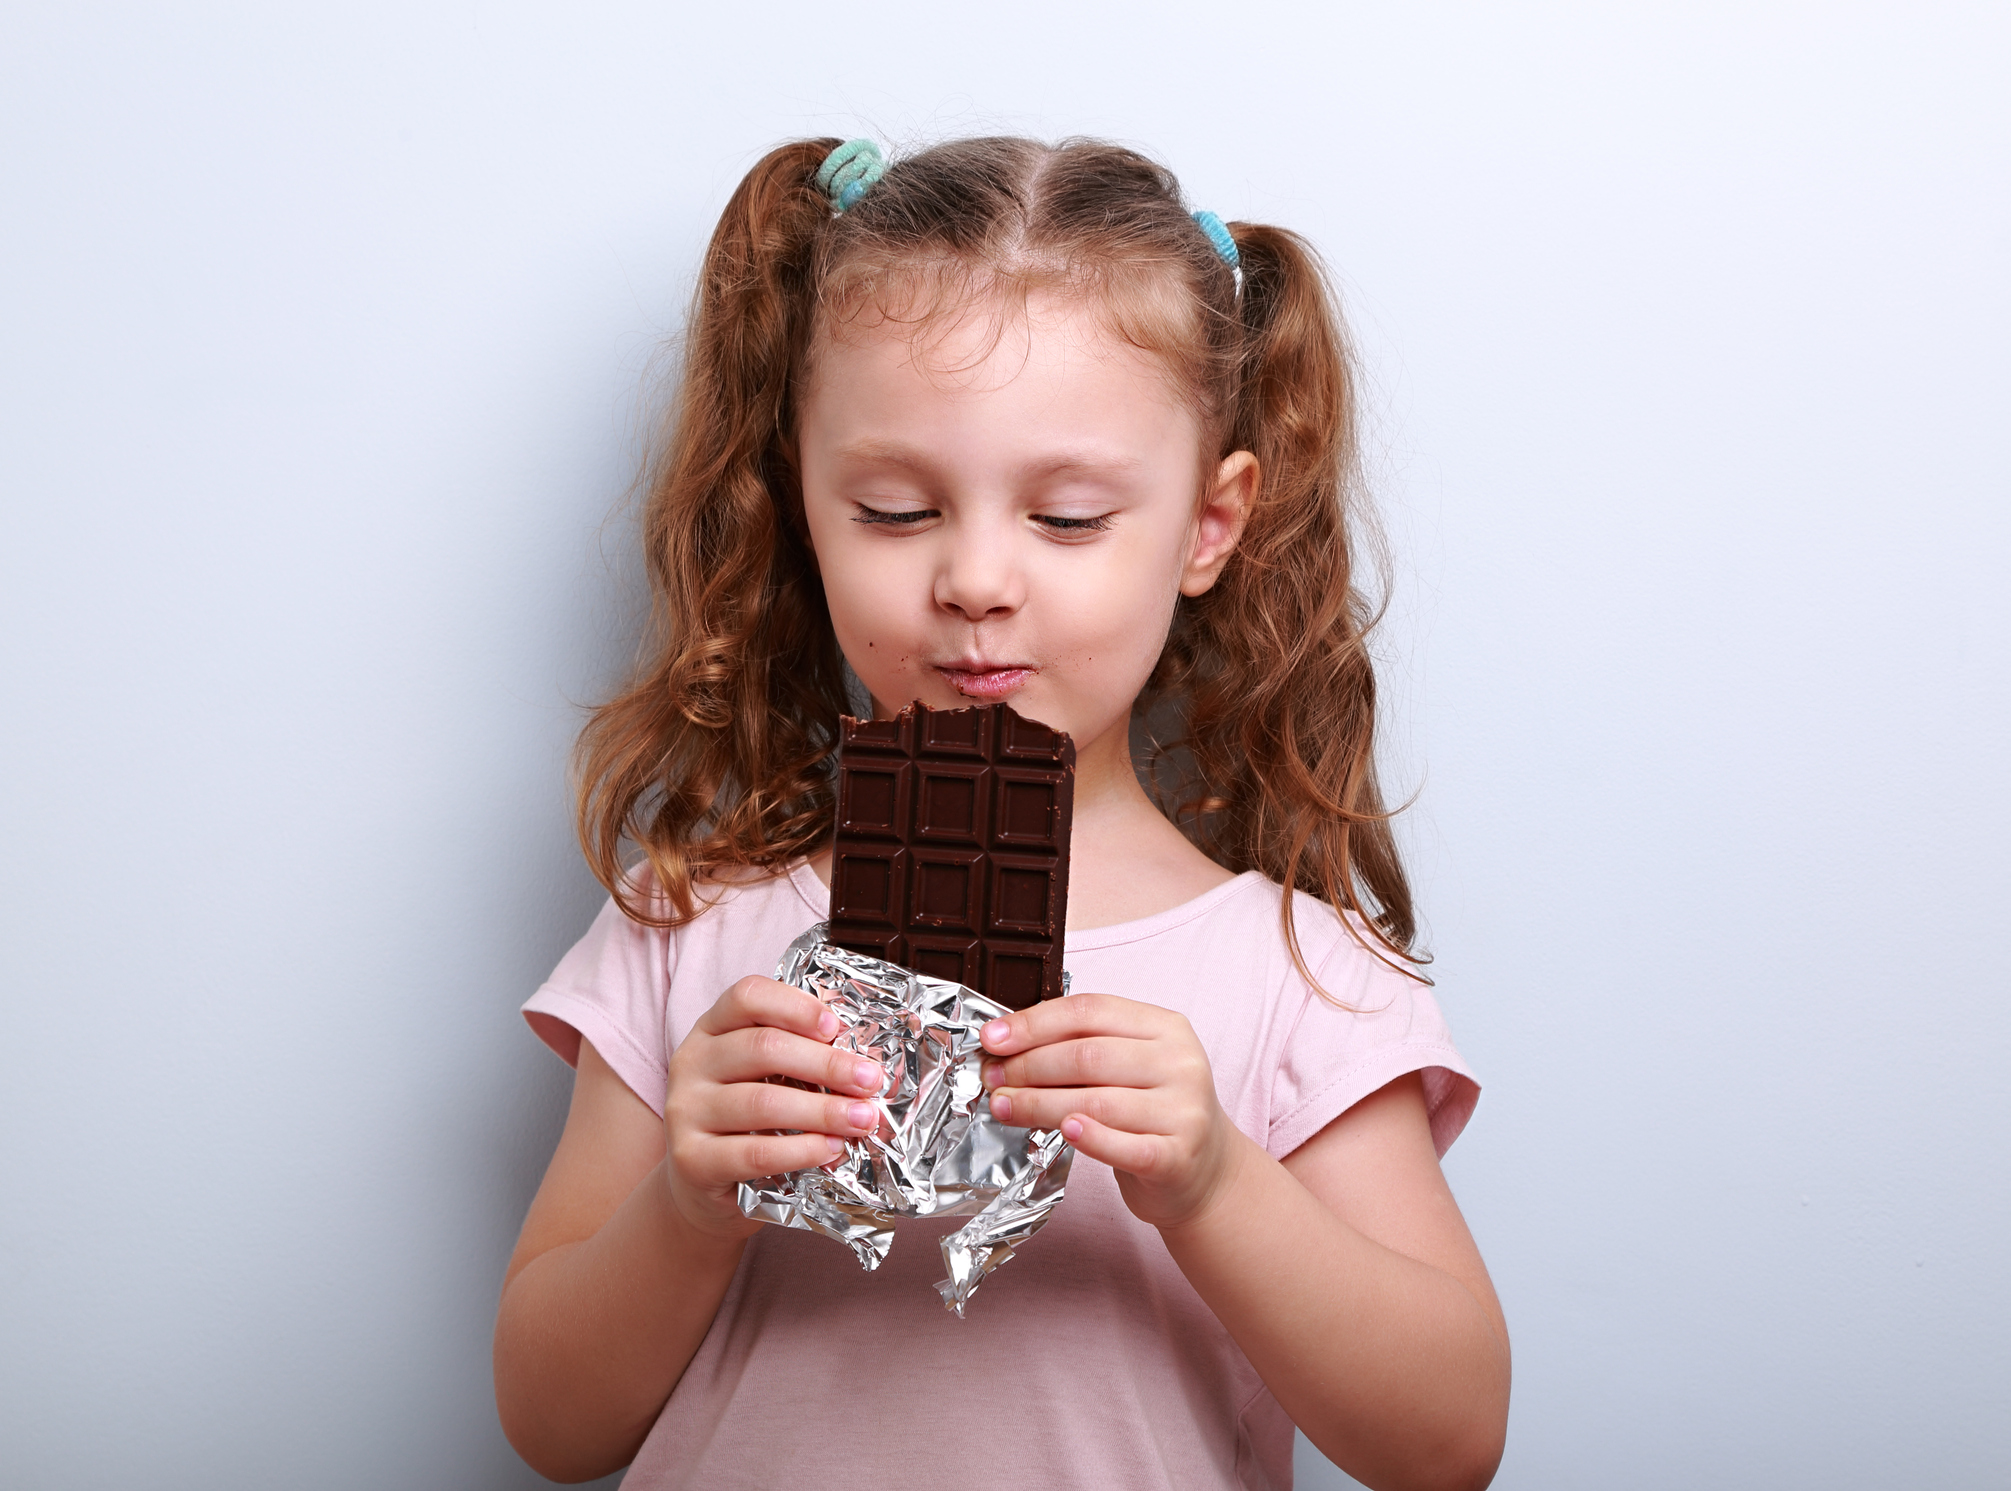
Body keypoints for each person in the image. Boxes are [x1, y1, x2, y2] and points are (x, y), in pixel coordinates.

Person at [493, 135, 1509, 1491]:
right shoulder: (691, 928)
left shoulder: (1300, 976)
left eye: (1071, 518)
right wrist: (687, 1203)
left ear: (1210, 526)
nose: (975, 580)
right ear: (805, 497)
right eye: (897, 509)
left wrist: (1214, 1182)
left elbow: (1449, 1442)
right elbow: (553, 1428)